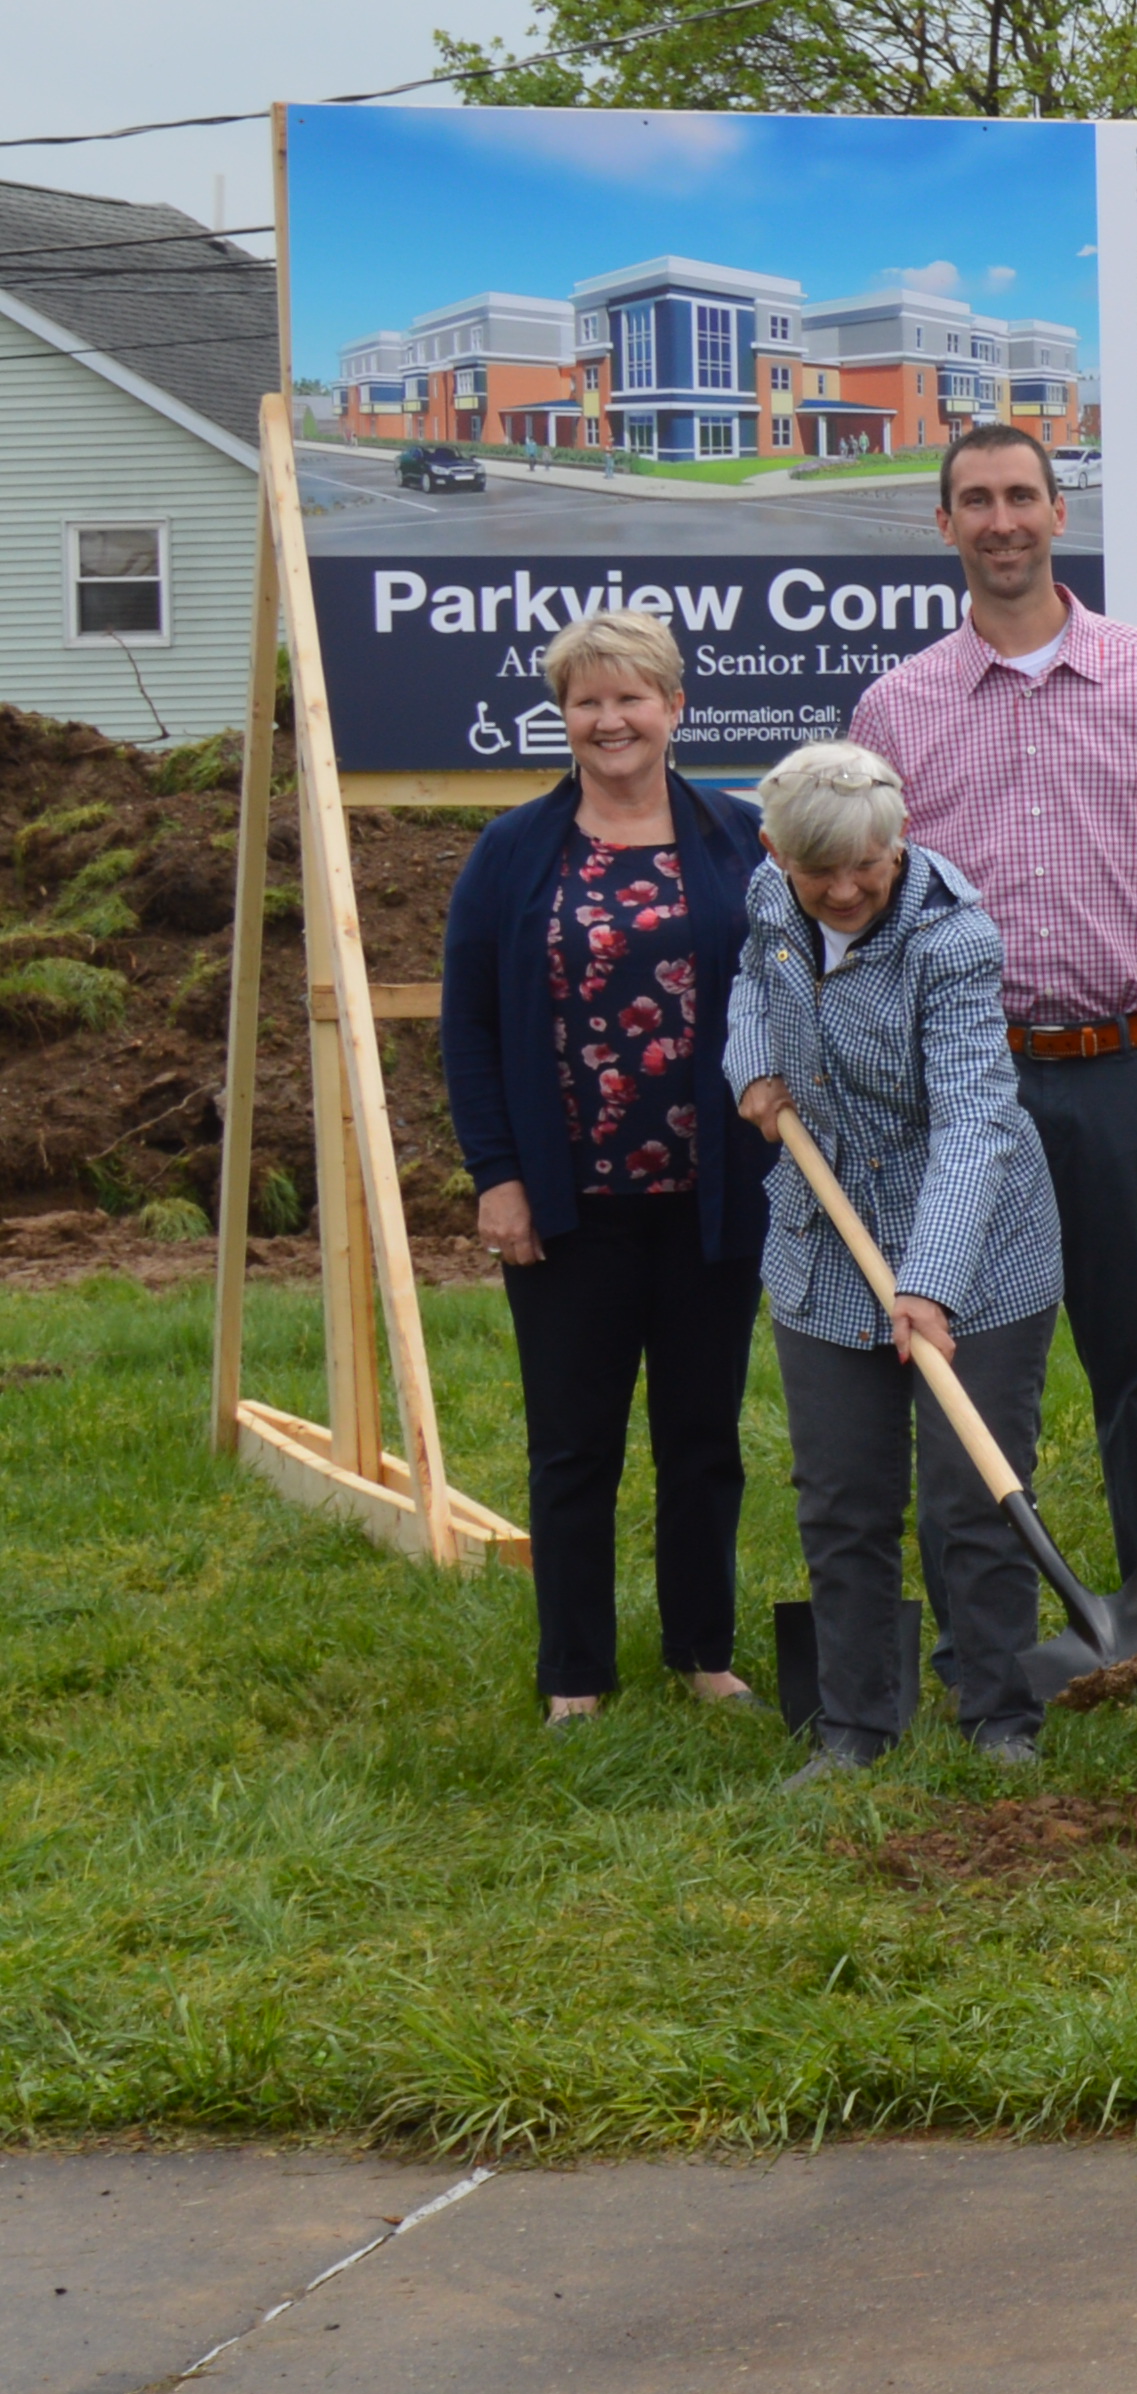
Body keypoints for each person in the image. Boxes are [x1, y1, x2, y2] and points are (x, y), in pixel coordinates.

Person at [851, 419, 1137, 1695]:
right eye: (976, 500)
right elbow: (867, 912)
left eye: (1022, 495)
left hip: (1121, 1070)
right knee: (959, 1366)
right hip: (965, 1090)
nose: (1002, 520)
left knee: (1136, 1363)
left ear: (1061, 513)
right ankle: (983, 1642)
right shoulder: (895, 708)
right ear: (944, 524)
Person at [436, 607, 773, 1722]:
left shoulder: (740, 839)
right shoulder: (512, 853)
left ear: (675, 707)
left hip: (713, 1199)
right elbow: (470, 1027)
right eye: (588, 701)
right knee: (573, 1448)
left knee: (702, 1440)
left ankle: (703, 1652)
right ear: (564, 716)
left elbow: (791, 988)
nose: (610, 719)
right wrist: (499, 1176)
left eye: (632, 697)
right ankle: (574, 1674)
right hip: (568, 1205)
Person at [721, 739, 1065, 1779]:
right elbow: (751, 983)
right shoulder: (770, 897)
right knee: (841, 1494)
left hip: (977, 1243)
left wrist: (929, 1282)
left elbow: (973, 1119)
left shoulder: (952, 939)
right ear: (777, 853)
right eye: (816, 872)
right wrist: (752, 1067)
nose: (841, 890)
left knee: (973, 1492)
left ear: (899, 838)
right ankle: (856, 1725)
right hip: (827, 1238)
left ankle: (999, 1716)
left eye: (863, 867)